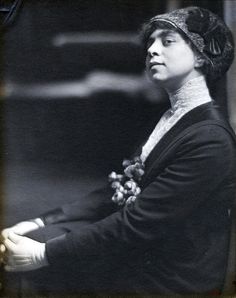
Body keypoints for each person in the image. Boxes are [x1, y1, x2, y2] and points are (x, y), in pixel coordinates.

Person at [1, 6, 236, 295]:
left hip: (170, 274)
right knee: (17, 244)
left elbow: (138, 223)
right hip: (141, 248)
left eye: (167, 41)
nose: (151, 50)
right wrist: (41, 220)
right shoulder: (170, 118)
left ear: (201, 55)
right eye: (150, 42)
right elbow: (117, 190)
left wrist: (44, 253)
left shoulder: (209, 139)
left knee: (29, 263)